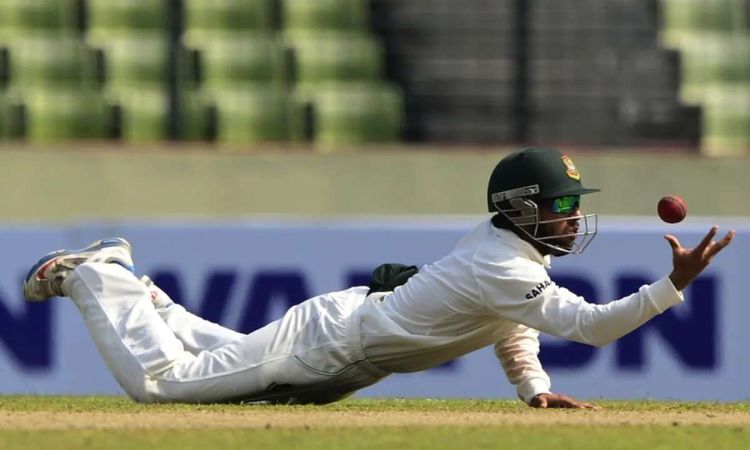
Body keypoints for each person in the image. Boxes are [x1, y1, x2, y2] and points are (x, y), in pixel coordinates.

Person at [23, 147, 734, 408]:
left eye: (574, 210)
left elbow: (512, 326)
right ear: (518, 209)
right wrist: (673, 287)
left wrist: (535, 390)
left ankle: (150, 301)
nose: (572, 222)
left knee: (214, 359)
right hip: (330, 342)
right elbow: (590, 327)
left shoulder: (513, 258)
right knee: (162, 386)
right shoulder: (498, 261)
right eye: (561, 208)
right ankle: (99, 276)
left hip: (347, 361)